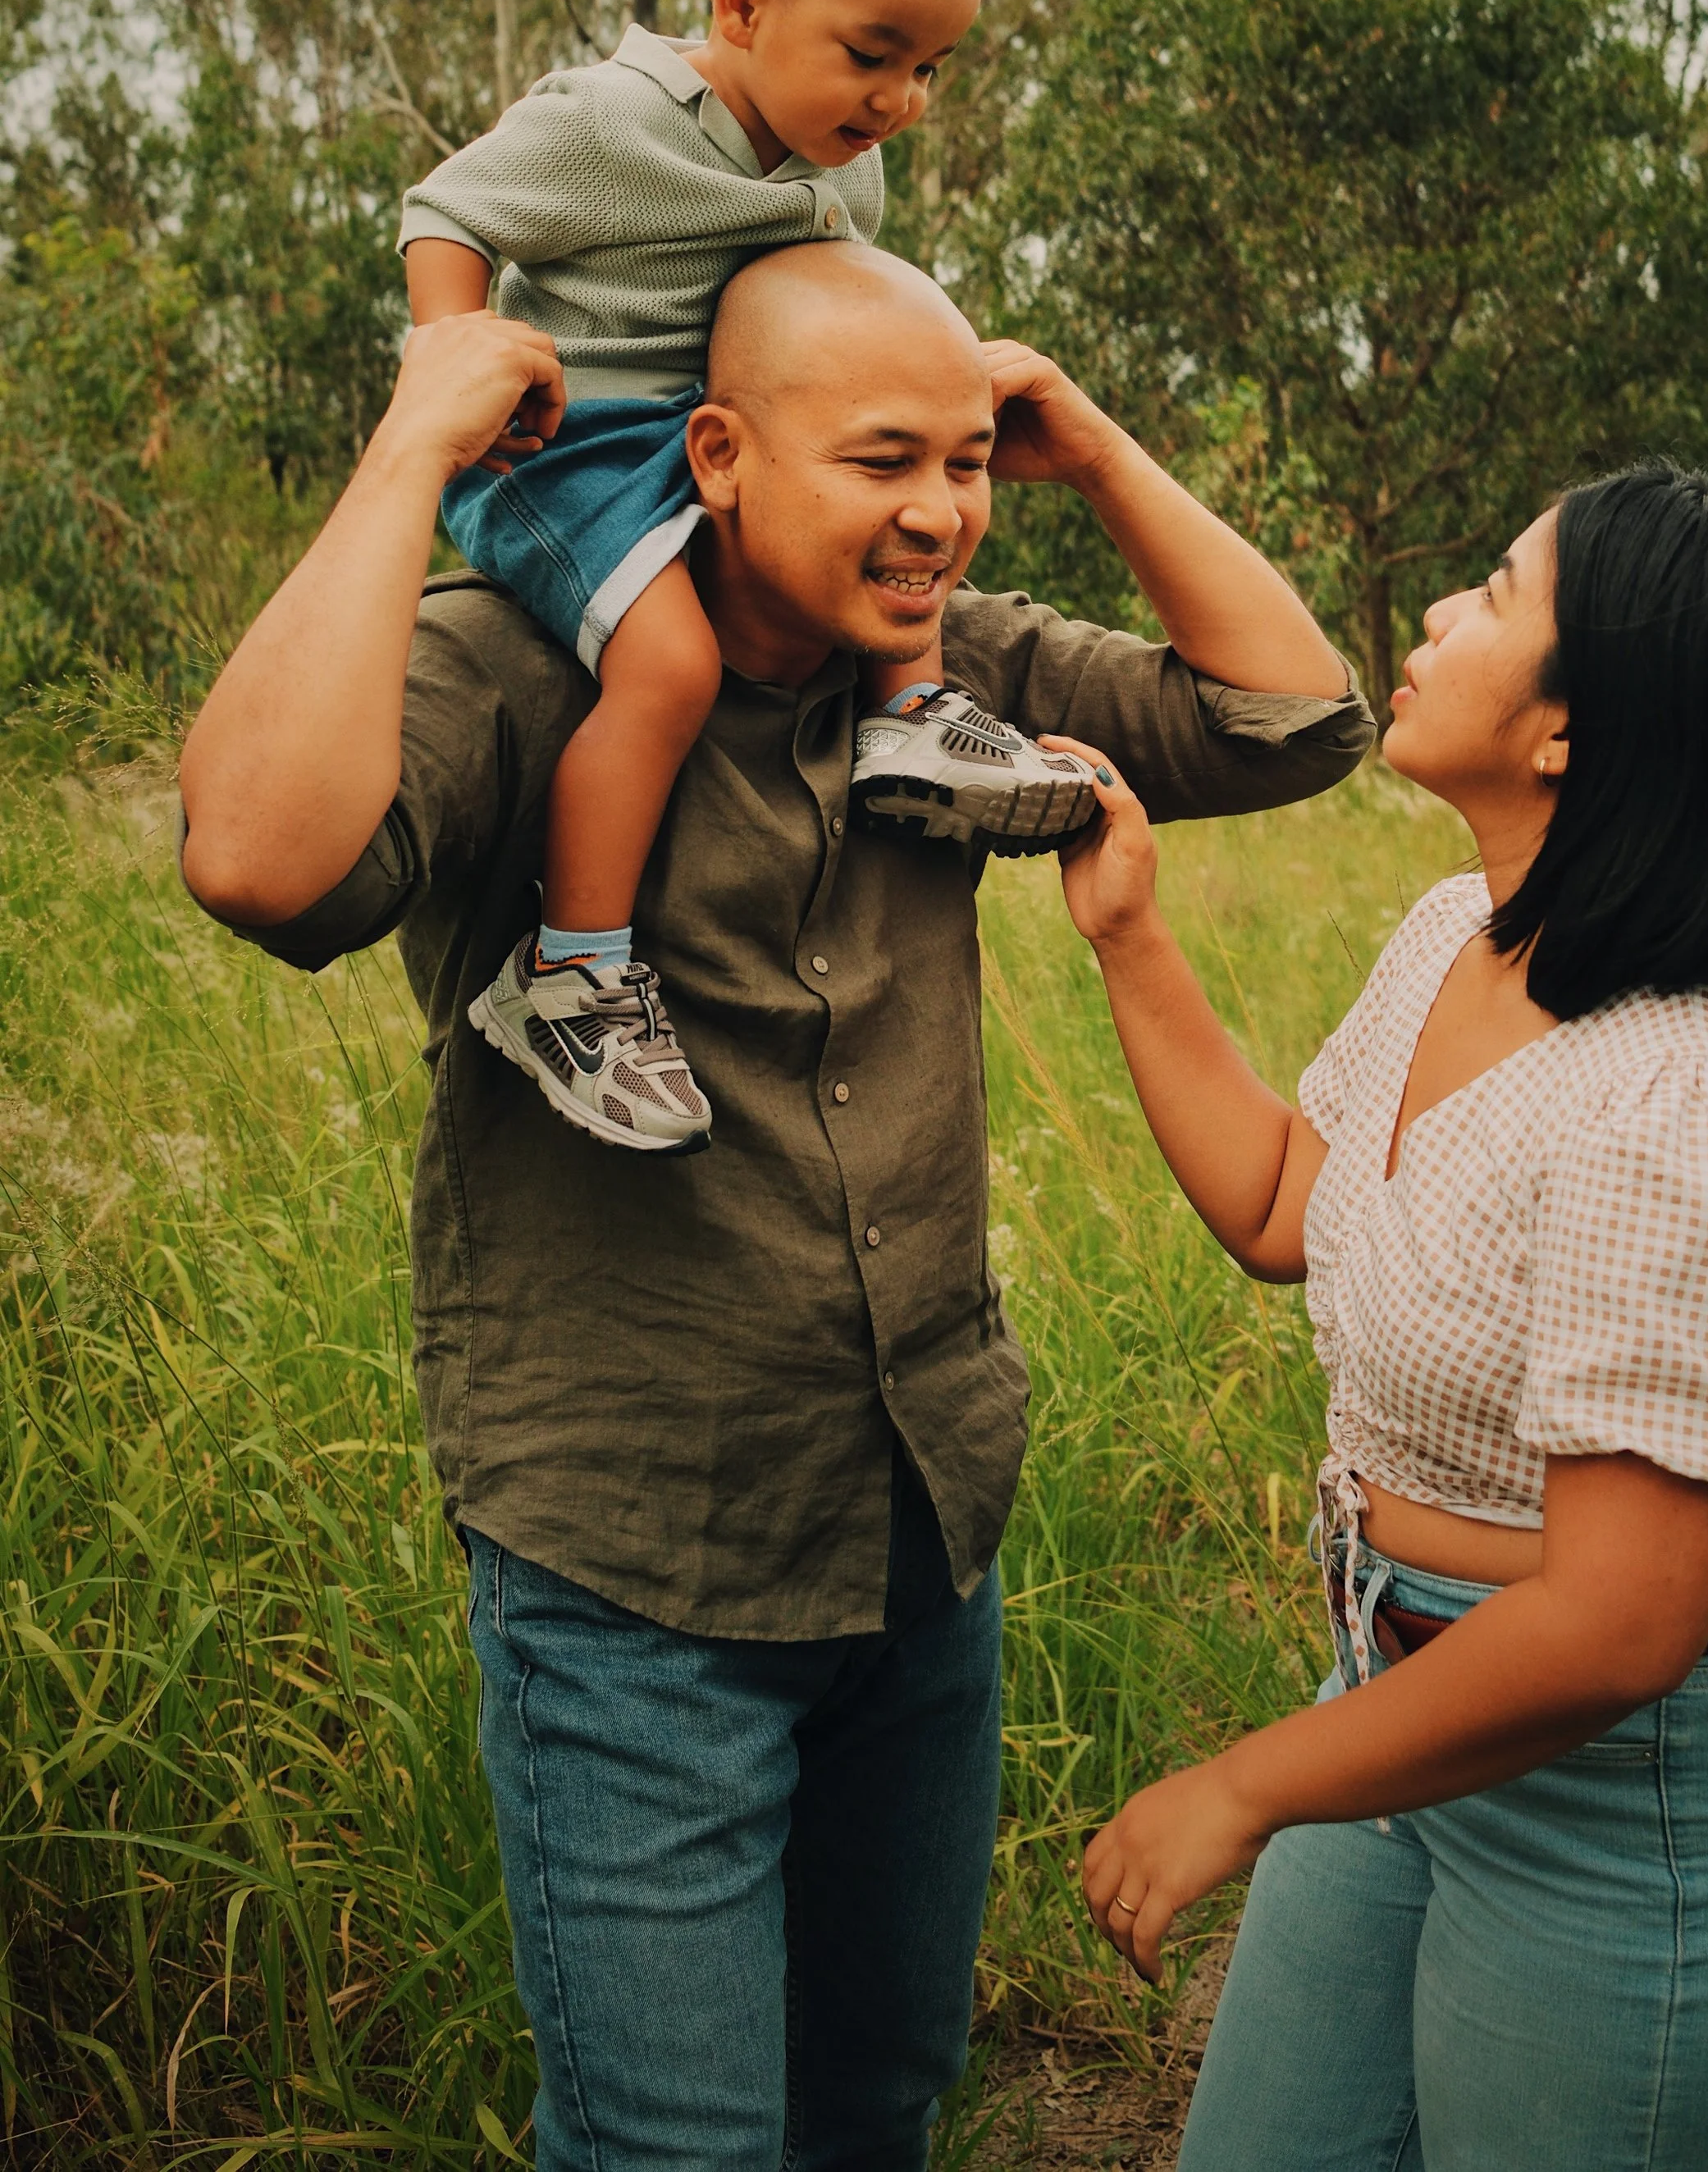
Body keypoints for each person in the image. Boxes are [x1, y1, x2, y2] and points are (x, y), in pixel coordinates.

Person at [177, 241, 1372, 2172]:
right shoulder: (524, 667)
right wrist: (412, 449)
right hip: (637, 1575)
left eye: (966, 463)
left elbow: (1294, 721)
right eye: (884, 459)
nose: (940, 511)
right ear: (717, 454)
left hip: (918, 1529)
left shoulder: (949, 672)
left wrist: (1089, 447)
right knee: (677, 2152)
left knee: (877, 2103)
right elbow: (255, 862)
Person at [1048, 462, 1708, 2172]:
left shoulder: (1676, 1105)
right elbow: (1289, 1205)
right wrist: (1128, 935)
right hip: (1403, 1702)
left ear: (1572, 734)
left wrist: (1245, 1784)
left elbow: (1611, 1624)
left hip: (1638, 1811)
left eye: (1495, 595)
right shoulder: (1459, 934)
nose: (1436, 616)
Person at [400, 0, 1098, 1152]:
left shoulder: (851, 171)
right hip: (569, 449)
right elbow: (448, 211)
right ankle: (572, 971)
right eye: (874, 55)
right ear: (741, 0)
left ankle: (911, 716)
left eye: (932, 69)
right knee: (670, 668)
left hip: (710, 446)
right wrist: (457, 370)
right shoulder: (610, 123)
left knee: (878, 540)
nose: (899, 101)